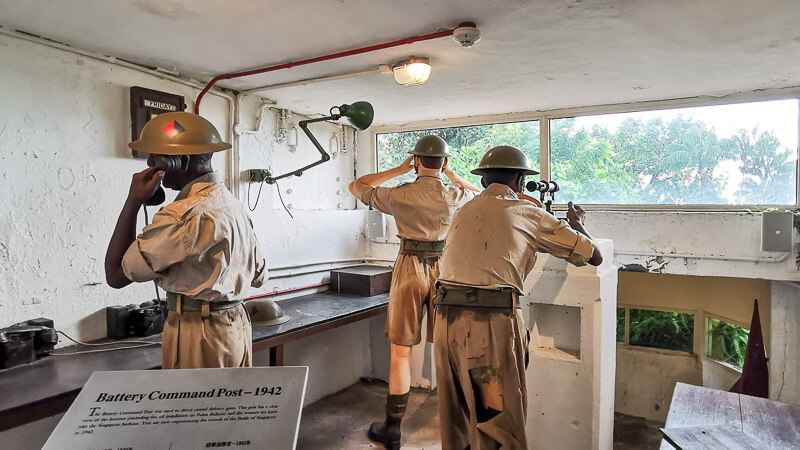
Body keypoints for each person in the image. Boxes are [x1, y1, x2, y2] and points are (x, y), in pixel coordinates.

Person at [434, 145, 603, 449]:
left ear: (483, 180)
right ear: (521, 181)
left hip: (446, 327)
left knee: (455, 420)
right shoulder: (529, 213)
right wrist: (576, 223)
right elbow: (593, 256)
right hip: (486, 334)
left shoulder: (464, 211)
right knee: (496, 421)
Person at [104, 112, 266, 369]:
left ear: (177, 161)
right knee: (228, 406)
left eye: (154, 157)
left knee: (196, 407)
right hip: (235, 327)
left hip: (199, 333)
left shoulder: (183, 217)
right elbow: (259, 275)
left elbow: (115, 275)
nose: (149, 163)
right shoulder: (231, 205)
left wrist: (133, 202)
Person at [348, 135, 480, 450]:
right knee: (447, 350)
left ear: (417, 161)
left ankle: (392, 429)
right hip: (443, 271)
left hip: (408, 267)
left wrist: (399, 169)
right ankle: (458, 431)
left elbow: (357, 185)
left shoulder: (400, 194)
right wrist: (448, 174)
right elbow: (484, 195)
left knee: (400, 352)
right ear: (445, 162)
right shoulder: (454, 194)